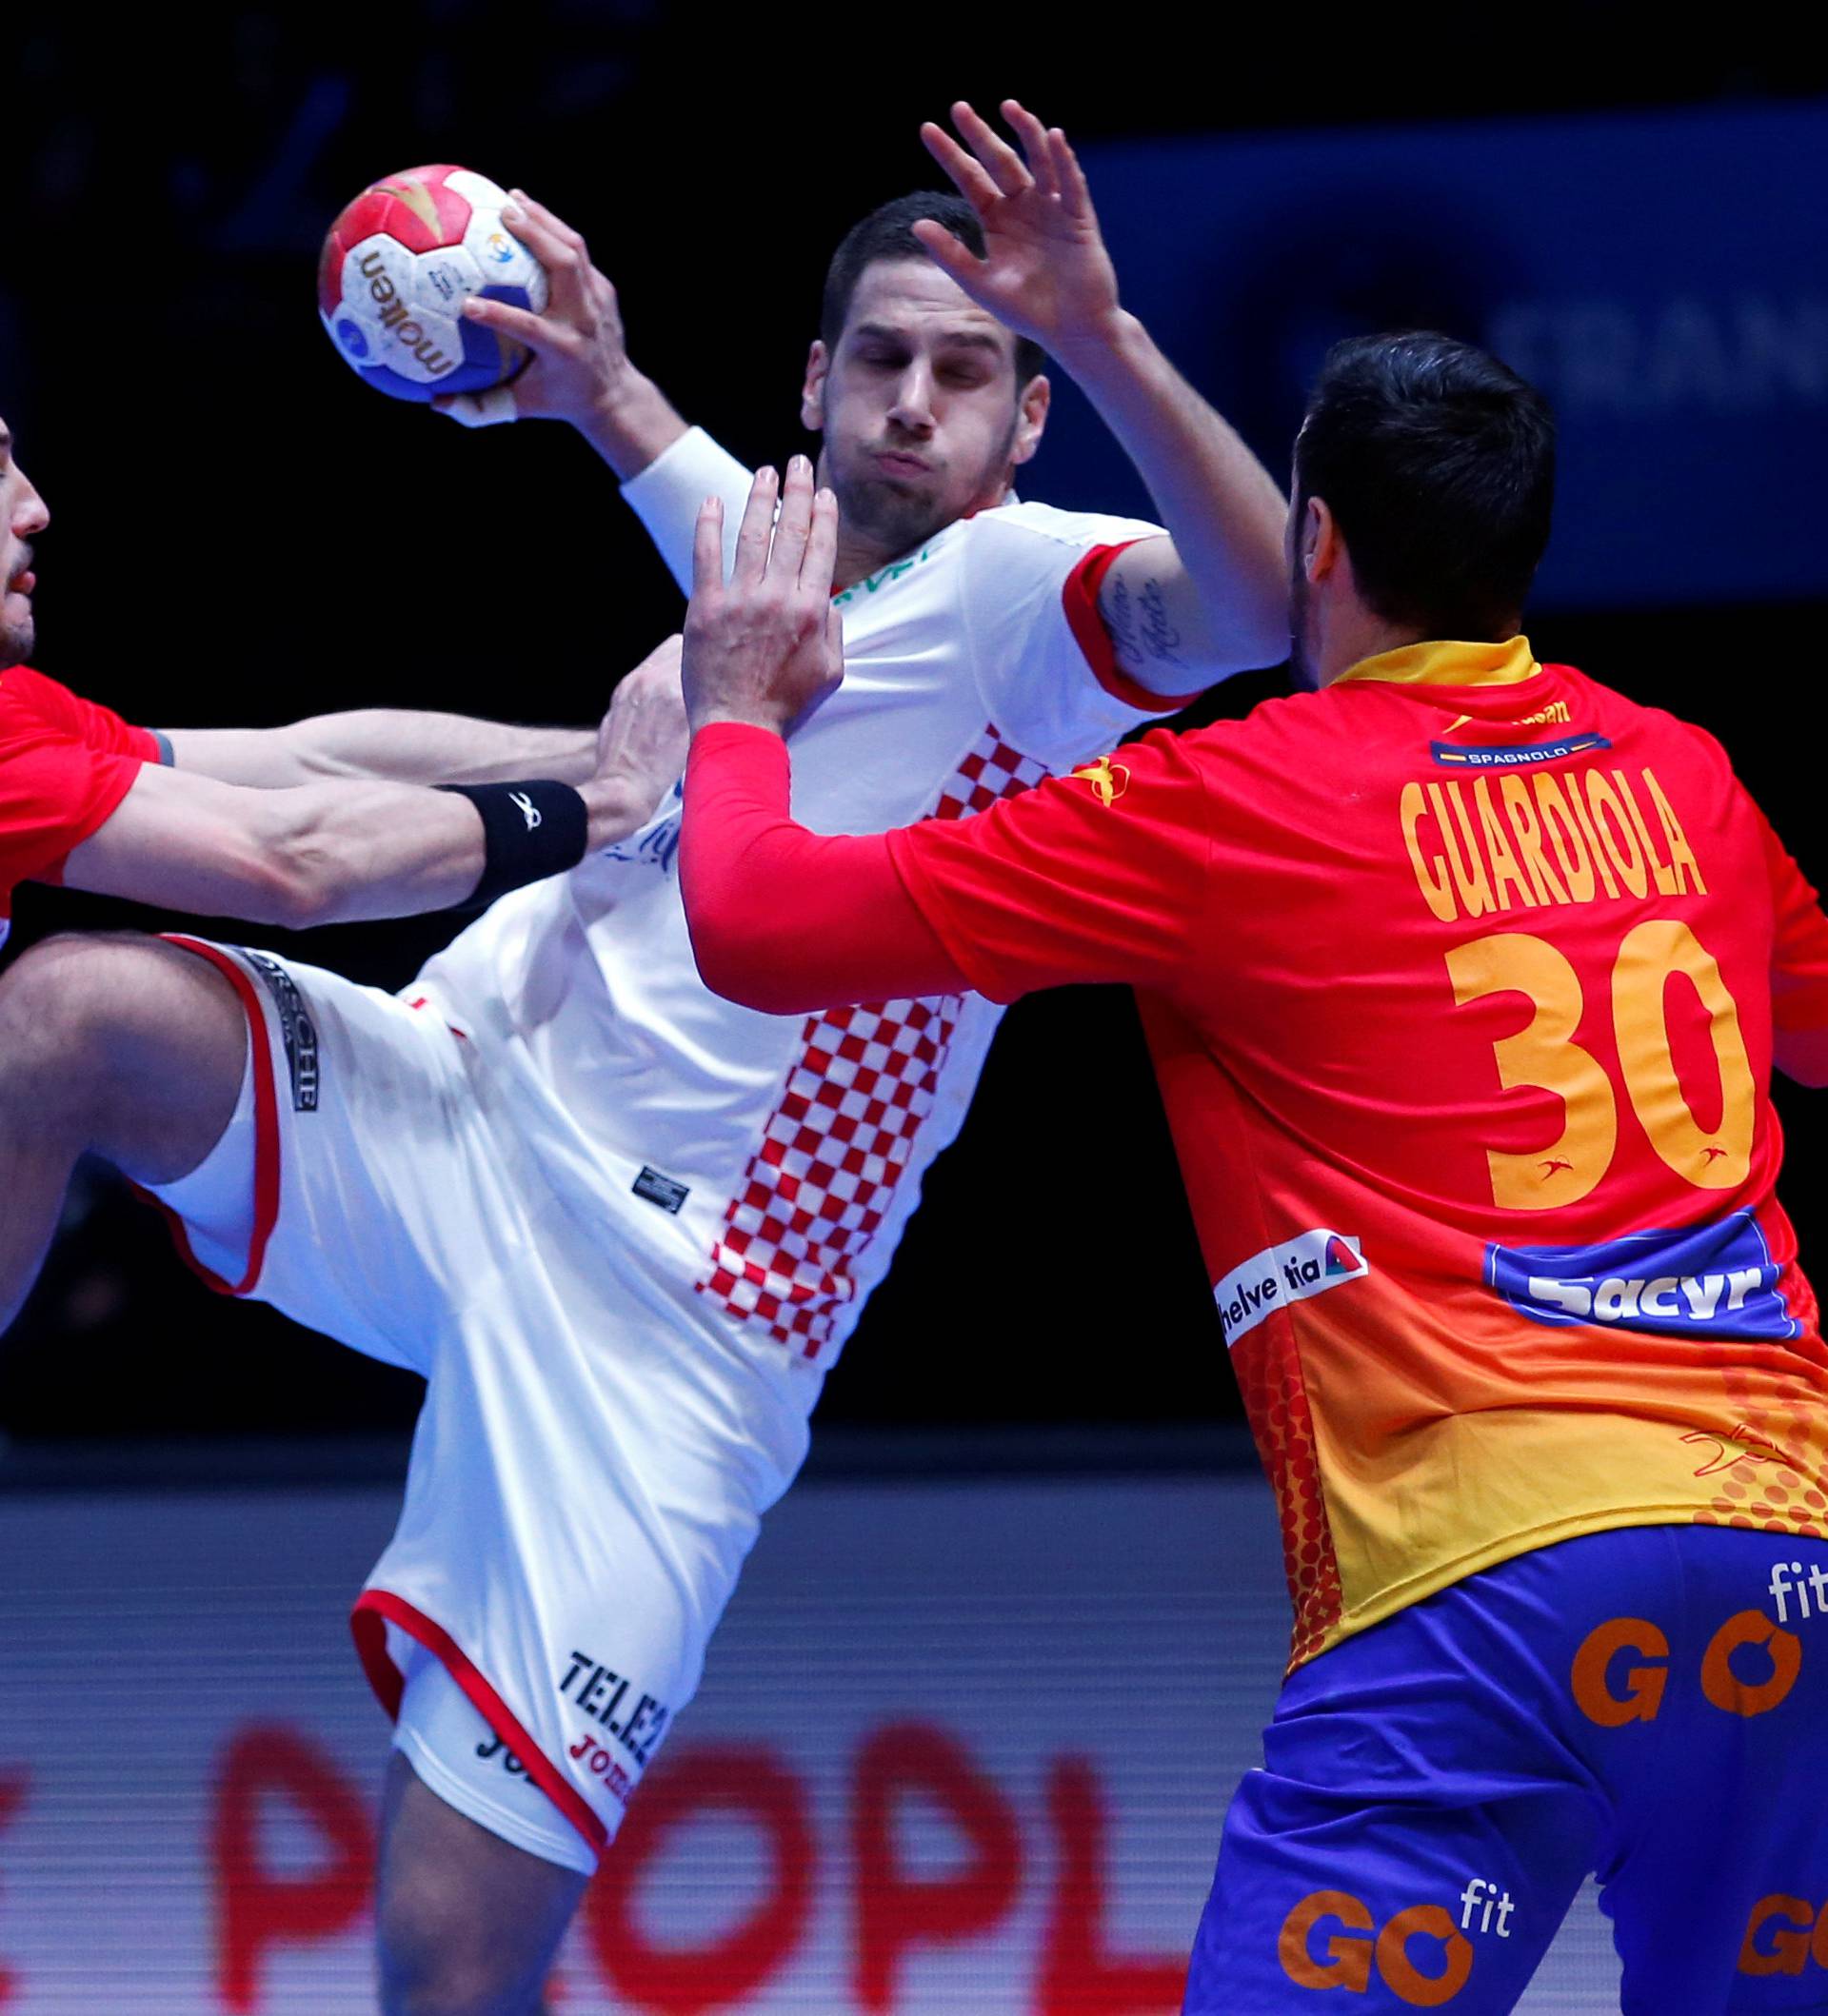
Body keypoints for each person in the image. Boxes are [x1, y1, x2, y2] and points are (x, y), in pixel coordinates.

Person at [0, 104, 1288, 2014]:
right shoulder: (761, 569)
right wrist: (600, 385)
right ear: (820, 382)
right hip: (451, 1110)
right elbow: (709, 520)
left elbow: (1264, 609)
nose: (917, 404)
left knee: (450, 1959)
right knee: (65, 1024)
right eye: (882, 362)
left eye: (971, 371)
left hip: (678, 1319)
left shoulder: (1039, 603)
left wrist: (1099, 326)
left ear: (1026, 420)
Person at [676, 354, 1828, 2012]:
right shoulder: (1691, 777)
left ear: (1317, 539)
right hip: (1783, 1571)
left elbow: (757, 923)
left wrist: (733, 705)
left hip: (1480, 1600)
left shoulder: (1226, 799)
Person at [0, 412, 687, 1334]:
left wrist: (615, 761)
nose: (35, 507)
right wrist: (607, 807)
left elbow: (310, 767)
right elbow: (293, 862)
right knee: (64, 1011)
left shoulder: (17, 717)